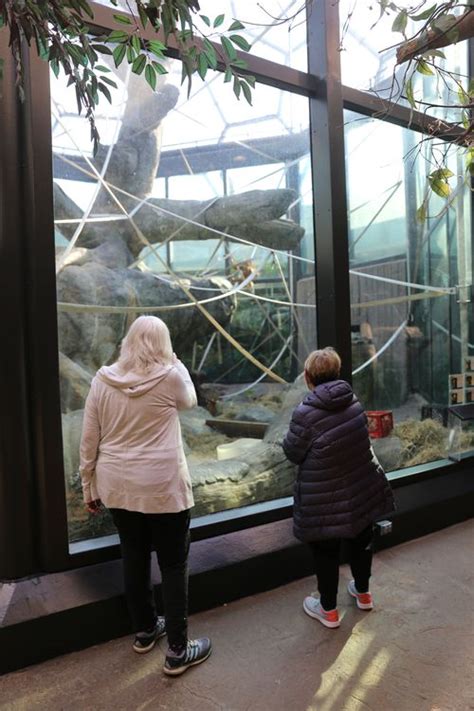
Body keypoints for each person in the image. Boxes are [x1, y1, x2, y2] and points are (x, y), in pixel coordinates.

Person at [79, 315, 211, 675]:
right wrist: (177, 361)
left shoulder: (103, 380)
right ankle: (179, 650)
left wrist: (88, 485)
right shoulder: (169, 377)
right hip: (162, 487)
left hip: (117, 486)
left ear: (128, 341)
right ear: (163, 344)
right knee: (173, 563)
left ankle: (145, 630)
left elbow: (89, 438)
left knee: (133, 557)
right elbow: (191, 400)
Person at [282, 347, 395, 629]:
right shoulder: (354, 402)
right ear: (337, 372)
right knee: (360, 541)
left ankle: (329, 610)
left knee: (326, 551)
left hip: (323, 497)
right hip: (359, 489)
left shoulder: (305, 412)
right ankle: (363, 593)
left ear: (308, 378)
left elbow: (293, 452)